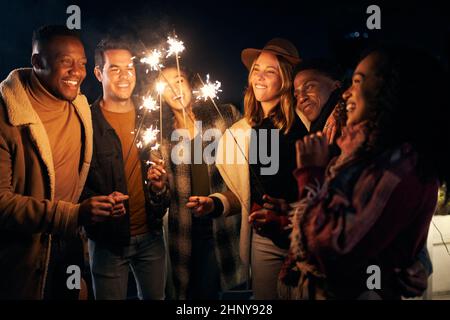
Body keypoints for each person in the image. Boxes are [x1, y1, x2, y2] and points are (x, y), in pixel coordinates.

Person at [279, 46, 449, 299]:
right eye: (296, 92)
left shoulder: (396, 165)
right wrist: (282, 218)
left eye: (358, 82)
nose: (347, 92)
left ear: (392, 90)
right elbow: (360, 221)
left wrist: (311, 174)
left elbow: (334, 248)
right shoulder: (362, 148)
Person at [0, 25, 126, 299]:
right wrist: (74, 214)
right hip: (21, 256)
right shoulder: (6, 117)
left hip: (68, 247)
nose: (76, 72)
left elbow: (78, 180)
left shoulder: (80, 108)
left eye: (81, 63)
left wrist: (103, 202)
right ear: (36, 61)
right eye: (64, 62)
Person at [187, 38, 306, 299]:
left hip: (303, 236)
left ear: (286, 78)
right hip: (264, 240)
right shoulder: (242, 131)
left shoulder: (303, 125)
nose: (260, 77)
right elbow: (244, 192)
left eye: (270, 71)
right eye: (256, 69)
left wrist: (292, 219)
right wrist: (214, 204)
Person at [79, 37, 168, 300]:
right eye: (114, 68)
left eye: (129, 67)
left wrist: (159, 188)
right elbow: (76, 182)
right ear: (98, 73)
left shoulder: (151, 116)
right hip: (107, 242)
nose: (124, 75)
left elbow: (166, 186)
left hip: (152, 237)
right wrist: (94, 205)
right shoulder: (86, 122)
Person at [147, 64, 244, 299]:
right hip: (187, 235)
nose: (175, 88)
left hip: (226, 227)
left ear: (191, 83)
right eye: (167, 84)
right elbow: (159, 206)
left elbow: (252, 166)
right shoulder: (161, 141)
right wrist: (158, 188)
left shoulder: (224, 117)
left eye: (179, 80)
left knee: (233, 293)